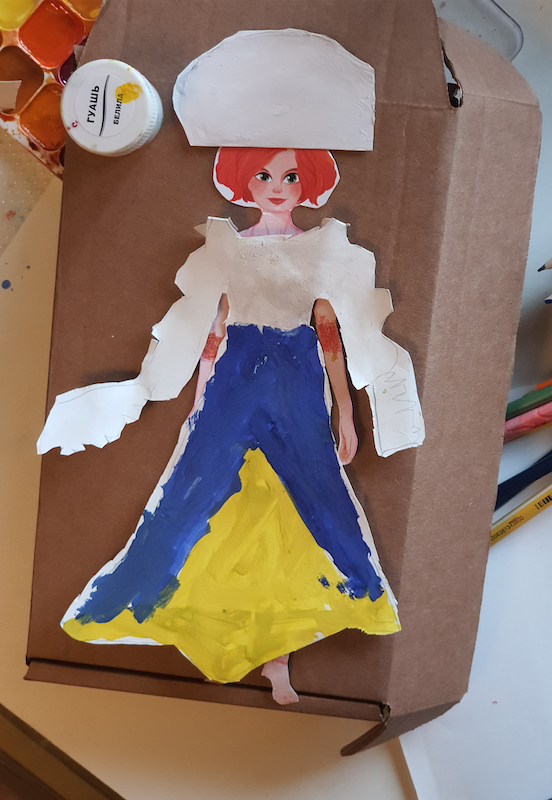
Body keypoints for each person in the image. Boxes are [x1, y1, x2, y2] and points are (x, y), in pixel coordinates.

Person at [39, 144, 424, 705]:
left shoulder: (320, 251)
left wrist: (345, 410)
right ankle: (184, 622)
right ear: (243, 182)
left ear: (309, 185)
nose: (277, 187)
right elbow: (212, 334)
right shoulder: (225, 251)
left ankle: (284, 654)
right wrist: (199, 403)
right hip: (235, 381)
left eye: (291, 176)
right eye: (263, 175)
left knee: (315, 499)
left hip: (296, 384)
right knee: (191, 495)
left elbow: (331, 340)